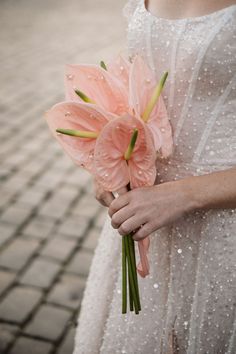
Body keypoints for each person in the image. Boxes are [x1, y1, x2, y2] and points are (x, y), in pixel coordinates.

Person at [73, 0, 236, 353]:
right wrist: (111, 160)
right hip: (145, 214)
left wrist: (183, 195)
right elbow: (144, 85)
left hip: (223, 228)